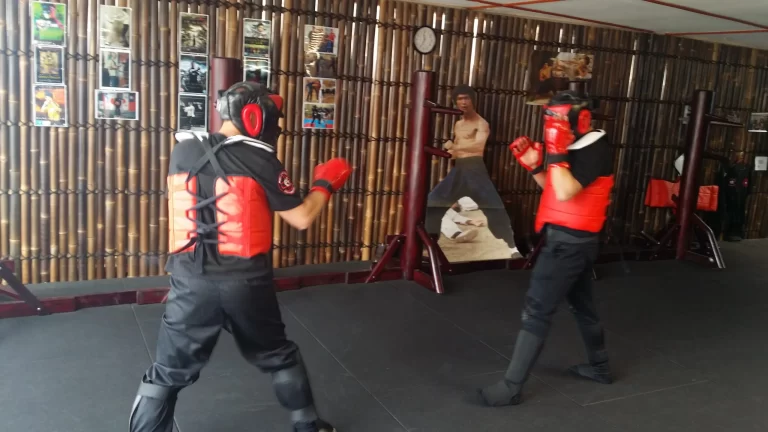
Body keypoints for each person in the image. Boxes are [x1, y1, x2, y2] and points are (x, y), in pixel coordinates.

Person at [129, 82, 350, 432]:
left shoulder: (182, 150)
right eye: (274, 118)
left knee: (166, 371)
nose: (275, 127)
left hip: (190, 282)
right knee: (278, 354)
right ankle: (307, 426)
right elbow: (302, 218)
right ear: (255, 116)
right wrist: (325, 184)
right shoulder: (261, 158)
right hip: (245, 283)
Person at [478, 90, 615, 407]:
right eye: (549, 117)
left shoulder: (594, 147)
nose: (550, 122)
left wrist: (554, 152)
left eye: (555, 116)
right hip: (572, 240)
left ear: (579, 117)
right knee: (584, 308)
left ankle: (511, 386)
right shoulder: (576, 146)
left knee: (536, 310)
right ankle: (600, 368)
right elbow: (553, 189)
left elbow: (566, 191)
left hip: (569, 244)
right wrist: (536, 166)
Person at [425, 84, 522, 259]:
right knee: (433, 201)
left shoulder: (481, 123)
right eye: (460, 99)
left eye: (467, 98)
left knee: (494, 206)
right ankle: (431, 245)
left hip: (475, 168)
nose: (464, 102)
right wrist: (453, 151)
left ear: (473, 100)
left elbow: (478, 145)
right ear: (455, 102)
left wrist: (454, 147)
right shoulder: (458, 124)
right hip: (459, 169)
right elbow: (454, 154)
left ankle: (512, 247)